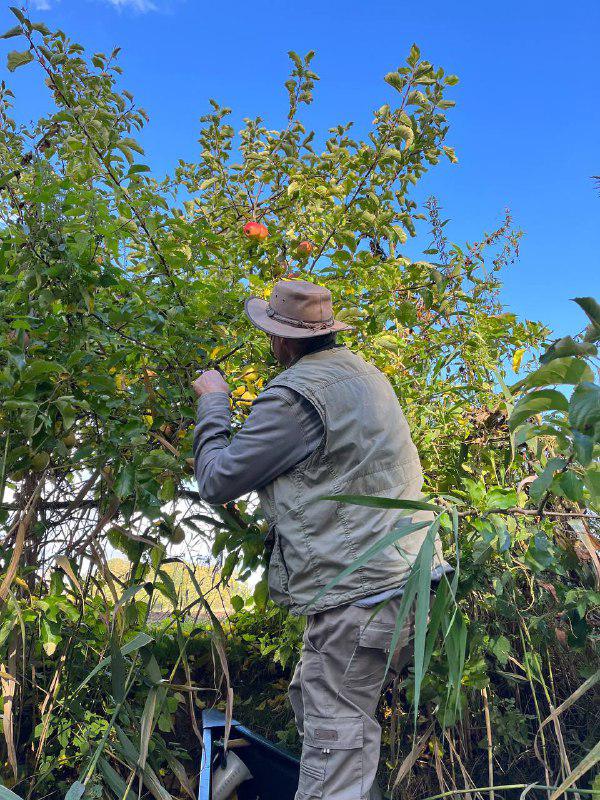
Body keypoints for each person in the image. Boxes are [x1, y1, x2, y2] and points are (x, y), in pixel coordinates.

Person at [192, 279, 450, 800]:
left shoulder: (294, 397)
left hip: (360, 596)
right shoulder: (364, 374)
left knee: (335, 736)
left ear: (282, 341)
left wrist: (214, 404)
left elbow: (217, 480)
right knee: (321, 708)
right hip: (409, 580)